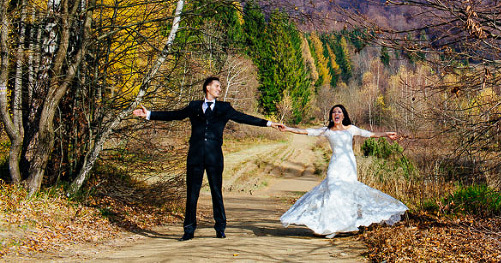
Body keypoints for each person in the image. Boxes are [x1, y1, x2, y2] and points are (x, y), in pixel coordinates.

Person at [132, 76, 284, 241]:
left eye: (220, 87)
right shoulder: (194, 106)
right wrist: (149, 114)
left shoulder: (225, 108)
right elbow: (174, 115)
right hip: (195, 156)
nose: (220, 89)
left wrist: (269, 124)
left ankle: (220, 227)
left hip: (215, 158)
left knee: (216, 192)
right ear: (208, 88)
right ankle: (188, 231)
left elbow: (244, 118)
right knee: (192, 194)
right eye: (217, 86)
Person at [278, 104, 408, 238]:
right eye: (334, 112)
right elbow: (306, 131)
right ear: (331, 117)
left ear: (343, 115)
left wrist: (386, 134)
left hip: (349, 166)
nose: (336, 114)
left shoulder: (351, 129)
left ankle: (346, 224)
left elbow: (369, 134)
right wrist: (287, 128)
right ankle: (330, 226)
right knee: (332, 192)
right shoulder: (326, 131)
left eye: (339, 112)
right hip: (335, 165)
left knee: (347, 194)